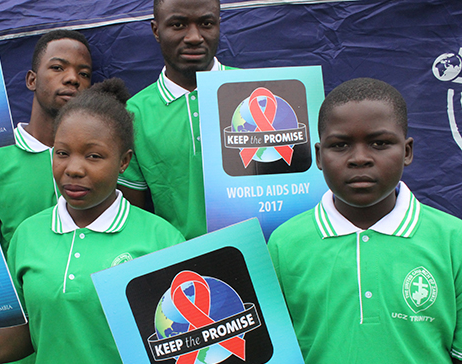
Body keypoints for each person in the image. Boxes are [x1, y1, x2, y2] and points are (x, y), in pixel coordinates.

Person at [0, 79, 185, 364]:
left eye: (93, 156)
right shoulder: (27, 235)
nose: (74, 169)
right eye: (62, 153)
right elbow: (30, 329)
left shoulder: (162, 240)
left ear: (124, 161)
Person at [267, 78, 462, 364]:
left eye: (379, 143)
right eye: (341, 145)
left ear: (406, 151)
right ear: (319, 156)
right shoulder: (284, 243)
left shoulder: (452, 239)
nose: (360, 158)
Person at [117, 0, 235, 240]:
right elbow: (137, 221)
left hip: (262, 257)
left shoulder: (259, 92)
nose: (194, 37)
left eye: (206, 24)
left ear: (219, 25)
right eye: (178, 24)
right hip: (182, 269)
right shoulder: (132, 114)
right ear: (156, 30)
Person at [0, 30, 92, 256]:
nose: (72, 79)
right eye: (58, 68)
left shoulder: (98, 156)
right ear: (31, 80)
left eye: (84, 73)